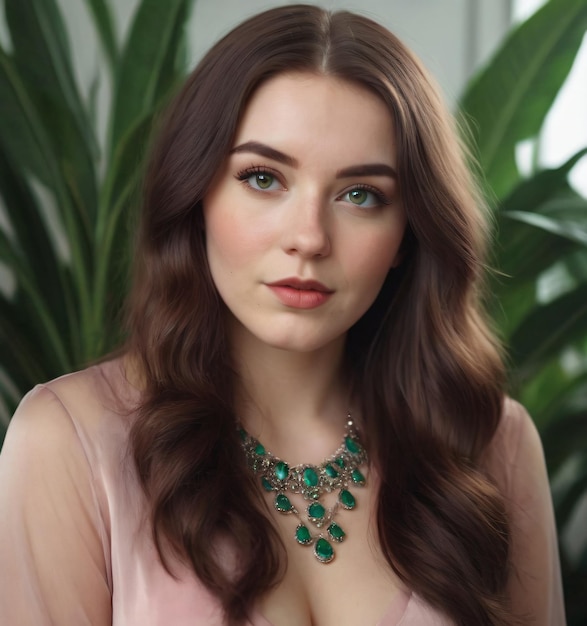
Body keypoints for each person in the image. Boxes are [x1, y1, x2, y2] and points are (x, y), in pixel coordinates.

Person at [0, 4, 565, 625]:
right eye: (264, 177)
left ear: (408, 232)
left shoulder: (490, 444)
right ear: (197, 195)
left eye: (360, 195)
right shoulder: (70, 445)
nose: (309, 237)